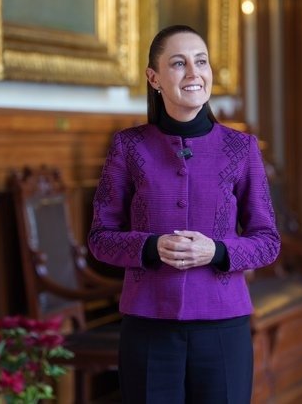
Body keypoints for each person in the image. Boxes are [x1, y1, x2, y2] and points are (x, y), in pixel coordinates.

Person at [88, 24, 281, 403]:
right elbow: (100, 238)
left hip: (223, 326)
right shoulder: (128, 146)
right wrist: (151, 247)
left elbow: (267, 241)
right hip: (148, 326)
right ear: (154, 78)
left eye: (201, 61)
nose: (194, 73)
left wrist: (217, 251)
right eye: (179, 63)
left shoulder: (241, 148)